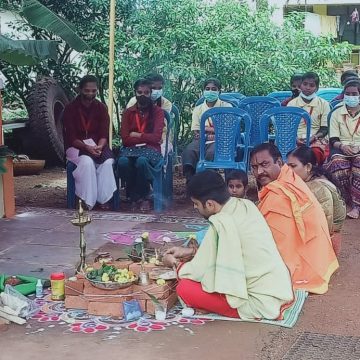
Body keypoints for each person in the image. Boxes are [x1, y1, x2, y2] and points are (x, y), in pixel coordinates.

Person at [163, 170, 294, 319]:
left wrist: (175, 264)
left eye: (196, 204)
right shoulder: (246, 205)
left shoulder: (221, 222)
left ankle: (215, 307)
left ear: (210, 204)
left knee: (184, 288)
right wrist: (191, 252)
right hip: (278, 289)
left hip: (257, 303)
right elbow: (225, 252)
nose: (195, 208)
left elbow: (199, 271)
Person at [250, 143, 339, 294]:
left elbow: (268, 239)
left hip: (301, 266)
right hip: (320, 257)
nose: (259, 172)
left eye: (265, 164)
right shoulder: (289, 178)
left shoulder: (277, 194)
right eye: (254, 167)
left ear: (279, 162)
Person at [63, 75, 116, 210]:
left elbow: (104, 134)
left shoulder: (101, 108)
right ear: (80, 90)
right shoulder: (70, 109)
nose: (90, 93)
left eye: (93, 90)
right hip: (76, 146)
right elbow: (71, 138)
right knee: (87, 162)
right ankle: (86, 200)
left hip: (97, 145)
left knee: (108, 162)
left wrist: (100, 146)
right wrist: (87, 147)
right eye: (87, 90)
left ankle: (103, 199)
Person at [287, 146, 346, 255]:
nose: (288, 171)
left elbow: (324, 225)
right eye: (287, 166)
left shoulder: (318, 189)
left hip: (326, 242)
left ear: (308, 167)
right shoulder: (312, 181)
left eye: (293, 166)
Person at [118, 78, 165, 211]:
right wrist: (146, 138)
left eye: (146, 92)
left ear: (150, 93)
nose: (143, 95)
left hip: (151, 150)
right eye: (140, 92)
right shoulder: (128, 112)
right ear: (135, 93)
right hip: (130, 150)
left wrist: (137, 135)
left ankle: (143, 197)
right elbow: (125, 139)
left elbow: (156, 138)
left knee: (142, 161)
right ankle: (135, 195)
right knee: (122, 162)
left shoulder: (158, 112)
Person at [181, 78, 232, 183]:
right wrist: (214, 131)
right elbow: (196, 132)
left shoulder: (227, 107)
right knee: (189, 151)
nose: (210, 91)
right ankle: (191, 180)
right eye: (207, 89)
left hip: (221, 141)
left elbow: (228, 130)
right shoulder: (198, 109)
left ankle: (210, 181)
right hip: (202, 139)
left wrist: (206, 129)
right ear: (203, 91)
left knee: (211, 153)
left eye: (214, 89)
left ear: (219, 91)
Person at [325, 78, 360, 219]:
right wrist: (343, 146)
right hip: (341, 147)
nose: (350, 97)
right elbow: (333, 138)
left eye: (354, 94)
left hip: (359, 147)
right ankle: (348, 201)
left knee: (359, 163)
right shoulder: (336, 113)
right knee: (338, 164)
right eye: (348, 94)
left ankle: (357, 205)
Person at [287, 72, 330, 165]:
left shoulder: (323, 104)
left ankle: (312, 175)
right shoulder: (292, 104)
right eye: (305, 84)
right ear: (300, 85)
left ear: (317, 88)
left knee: (315, 152)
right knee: (291, 152)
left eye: (312, 85)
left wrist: (313, 137)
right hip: (295, 139)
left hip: (315, 138)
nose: (307, 87)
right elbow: (287, 127)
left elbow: (325, 128)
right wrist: (295, 139)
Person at [126, 74, 173, 156]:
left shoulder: (166, 104)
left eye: (160, 88)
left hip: (161, 138)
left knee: (160, 154)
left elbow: (160, 127)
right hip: (136, 138)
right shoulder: (133, 102)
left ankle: (162, 169)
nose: (157, 91)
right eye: (154, 88)